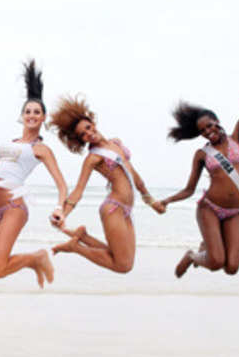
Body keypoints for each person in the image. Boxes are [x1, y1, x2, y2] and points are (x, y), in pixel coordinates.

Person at [157, 31, 239, 278]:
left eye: (211, 125)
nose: (209, 131)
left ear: (218, 121)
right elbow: (189, 189)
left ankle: (200, 254)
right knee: (217, 261)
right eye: (204, 131)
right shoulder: (202, 154)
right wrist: (166, 201)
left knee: (231, 268)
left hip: (235, 211)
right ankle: (193, 256)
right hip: (209, 208)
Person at [0, 60, 67, 287]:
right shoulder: (10, 142)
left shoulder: (40, 149)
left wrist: (59, 209)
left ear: (43, 118)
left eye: (37, 112)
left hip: (14, 207)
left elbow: (62, 185)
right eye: (28, 111)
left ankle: (37, 258)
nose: (32, 115)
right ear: (22, 115)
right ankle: (34, 260)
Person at [49, 96, 164, 273]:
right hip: (113, 208)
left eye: (88, 127)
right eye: (83, 134)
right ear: (81, 140)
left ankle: (83, 237)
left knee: (126, 261)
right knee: (122, 265)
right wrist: (62, 213)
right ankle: (76, 247)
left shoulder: (116, 143)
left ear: (92, 122)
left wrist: (150, 200)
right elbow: (78, 191)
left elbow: (134, 176)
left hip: (127, 209)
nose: (88, 133)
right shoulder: (93, 158)